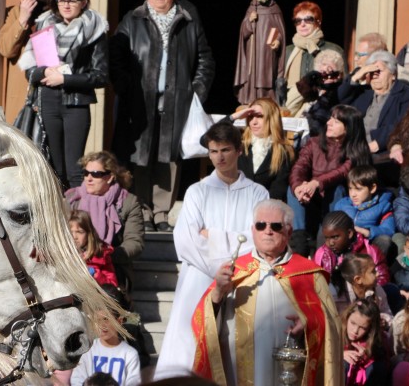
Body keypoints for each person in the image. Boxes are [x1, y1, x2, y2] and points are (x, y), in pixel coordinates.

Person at [154, 122, 268, 380]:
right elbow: (185, 240)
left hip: (242, 280)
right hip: (199, 279)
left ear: (239, 150)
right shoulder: (197, 191)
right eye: (214, 151)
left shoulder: (257, 193)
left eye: (225, 150)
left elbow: (258, 240)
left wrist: (213, 237)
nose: (219, 157)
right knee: (190, 342)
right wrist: (219, 267)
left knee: (235, 348)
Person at [192, 199, 342, 386]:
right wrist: (218, 293)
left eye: (276, 226)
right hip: (239, 373)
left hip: (292, 370)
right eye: (261, 225)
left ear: (288, 231)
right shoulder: (234, 271)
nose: (268, 231)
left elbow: (333, 326)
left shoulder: (309, 274)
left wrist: (308, 322)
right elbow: (202, 323)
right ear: (253, 230)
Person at [110, 0, 215, 231]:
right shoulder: (133, 20)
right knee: (141, 157)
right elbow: (116, 57)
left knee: (168, 159)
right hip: (140, 103)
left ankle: (161, 214)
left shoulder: (188, 20)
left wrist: (195, 93)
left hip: (175, 102)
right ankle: (143, 211)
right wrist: (126, 86)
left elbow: (205, 60)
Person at [18, 0, 108, 188]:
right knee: (53, 167)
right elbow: (30, 70)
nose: (66, 5)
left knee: (75, 169)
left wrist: (65, 79)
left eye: (72, 1)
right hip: (48, 101)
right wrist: (44, 71)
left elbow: (101, 76)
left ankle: (76, 218)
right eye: (61, 0)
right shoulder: (43, 26)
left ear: (84, 2)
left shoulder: (95, 30)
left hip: (76, 104)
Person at [288, 104, 372, 256]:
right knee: (292, 189)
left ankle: (325, 241)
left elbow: (341, 172)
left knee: (336, 188)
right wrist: (299, 187)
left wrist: (316, 183)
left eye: (336, 121)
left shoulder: (357, 151)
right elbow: (299, 167)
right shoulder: (313, 143)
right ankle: (299, 241)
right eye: (330, 118)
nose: (328, 123)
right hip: (311, 200)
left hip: (339, 205)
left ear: (348, 128)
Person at [65, 151, 145, 290]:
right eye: (86, 173)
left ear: (110, 177)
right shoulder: (72, 199)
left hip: (112, 267)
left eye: (96, 174)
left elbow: (135, 243)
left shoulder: (127, 202)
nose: (89, 178)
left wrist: (103, 255)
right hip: (74, 264)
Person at [338, 50, 409, 156]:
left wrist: (378, 143)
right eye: (371, 71)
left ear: (393, 74)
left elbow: (403, 124)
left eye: (379, 71)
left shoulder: (407, 94)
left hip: (382, 151)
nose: (374, 75)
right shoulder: (364, 92)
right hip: (353, 148)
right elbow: (341, 98)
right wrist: (356, 77)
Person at [221, 97, 294, 200]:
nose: (253, 122)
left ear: (271, 118)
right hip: (232, 203)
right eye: (250, 117)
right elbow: (206, 140)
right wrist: (234, 117)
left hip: (264, 210)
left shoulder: (284, 151)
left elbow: (278, 191)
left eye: (259, 116)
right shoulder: (239, 142)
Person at [281, 0, 346, 113]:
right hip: (290, 107)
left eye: (308, 19)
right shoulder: (287, 51)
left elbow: (343, 82)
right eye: (298, 21)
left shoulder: (333, 49)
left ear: (318, 22)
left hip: (323, 107)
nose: (302, 24)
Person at [70, 284, 141, 386]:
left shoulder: (130, 354)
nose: (102, 326)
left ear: (119, 321)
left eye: (106, 320)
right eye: (97, 320)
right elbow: (76, 380)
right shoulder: (88, 351)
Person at [233, 0, 285, 105]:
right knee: (253, 73)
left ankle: (267, 100)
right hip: (253, 49)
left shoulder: (275, 9)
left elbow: (280, 31)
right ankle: (251, 98)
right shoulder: (252, 8)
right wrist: (250, 20)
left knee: (266, 74)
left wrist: (277, 41)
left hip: (268, 50)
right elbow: (243, 32)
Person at [0, 0, 53, 70]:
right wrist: (22, 19)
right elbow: (6, 50)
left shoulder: (55, 14)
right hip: (21, 80)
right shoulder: (14, 12)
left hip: (49, 81)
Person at [332, 165, 395, 258]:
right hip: (346, 243)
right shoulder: (342, 205)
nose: (353, 194)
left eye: (358, 189)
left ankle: (373, 269)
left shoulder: (383, 205)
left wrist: (367, 232)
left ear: (372, 188)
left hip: (368, 245)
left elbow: (389, 230)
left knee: (384, 240)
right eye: (350, 188)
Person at [315, 211, 389, 285]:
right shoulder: (322, 255)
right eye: (326, 238)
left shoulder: (370, 252)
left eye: (335, 237)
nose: (330, 243)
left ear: (349, 233)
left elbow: (382, 278)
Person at [329, 253, 393, 327]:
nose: (378, 274)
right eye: (373, 272)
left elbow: (388, 313)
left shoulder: (377, 290)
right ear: (358, 279)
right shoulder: (335, 295)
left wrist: (384, 320)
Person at [294, 49, 346, 136]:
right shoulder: (311, 89)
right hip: (301, 131)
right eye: (323, 75)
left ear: (338, 75)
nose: (327, 78)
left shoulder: (339, 91)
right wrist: (306, 82)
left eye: (331, 74)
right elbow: (290, 106)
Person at [342, 298, 388, 385]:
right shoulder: (335, 334)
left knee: (377, 367)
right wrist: (341, 354)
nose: (355, 331)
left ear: (370, 329)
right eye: (353, 323)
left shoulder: (376, 343)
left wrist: (367, 359)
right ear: (347, 317)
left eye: (362, 328)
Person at [69, 209, 118, 286]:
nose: (74, 237)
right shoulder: (61, 254)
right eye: (70, 232)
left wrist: (96, 275)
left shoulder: (100, 255)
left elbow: (112, 285)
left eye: (80, 232)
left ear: (89, 233)